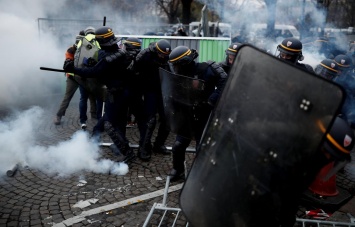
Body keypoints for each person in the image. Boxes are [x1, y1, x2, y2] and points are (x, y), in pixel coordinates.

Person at [63, 26, 135, 163]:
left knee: (109, 124)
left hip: (117, 94)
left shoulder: (108, 58)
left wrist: (73, 69)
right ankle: (115, 146)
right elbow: (101, 67)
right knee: (117, 122)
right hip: (123, 92)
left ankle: (128, 153)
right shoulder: (118, 52)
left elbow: (94, 72)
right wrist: (93, 64)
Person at [167, 45, 228, 181]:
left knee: (202, 149)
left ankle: (201, 176)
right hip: (188, 114)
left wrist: (212, 99)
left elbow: (225, 81)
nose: (174, 68)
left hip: (204, 114)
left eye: (176, 65)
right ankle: (178, 170)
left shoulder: (206, 69)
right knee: (178, 146)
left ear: (184, 63)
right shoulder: (180, 74)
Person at [134, 39, 172, 161]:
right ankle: (143, 147)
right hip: (149, 90)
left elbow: (170, 71)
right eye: (161, 54)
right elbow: (135, 70)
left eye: (165, 55)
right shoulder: (145, 55)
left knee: (167, 119)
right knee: (150, 121)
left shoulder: (165, 57)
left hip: (162, 90)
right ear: (156, 51)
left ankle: (158, 144)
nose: (163, 57)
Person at [53, 30, 96, 125]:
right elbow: (68, 61)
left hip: (84, 77)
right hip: (72, 77)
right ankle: (58, 115)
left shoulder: (89, 48)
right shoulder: (71, 49)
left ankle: (94, 116)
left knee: (92, 97)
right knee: (67, 97)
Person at [76, 26, 102, 129]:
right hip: (94, 75)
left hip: (81, 75)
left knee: (83, 99)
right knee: (99, 98)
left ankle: (83, 121)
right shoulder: (97, 40)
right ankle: (100, 120)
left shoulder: (81, 41)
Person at [333, 54, 355, 128]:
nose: (339, 72)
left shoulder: (351, 81)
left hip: (343, 110)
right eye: (338, 68)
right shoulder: (328, 73)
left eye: (342, 70)